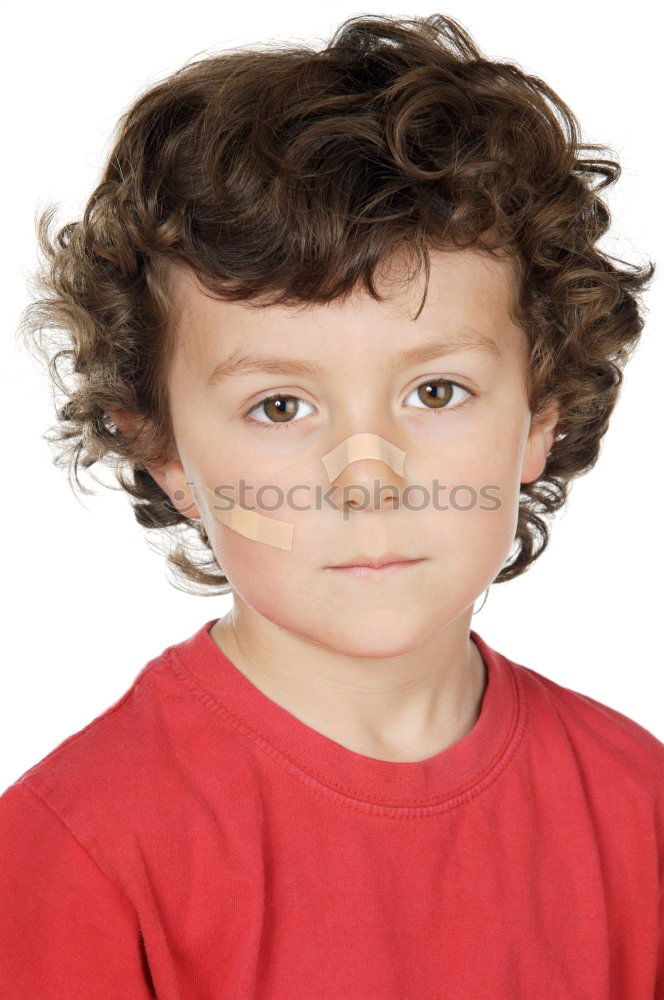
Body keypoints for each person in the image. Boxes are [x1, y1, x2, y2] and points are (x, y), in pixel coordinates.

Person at [1, 12, 661, 998]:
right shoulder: (79, 848)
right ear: (165, 451)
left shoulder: (638, 807)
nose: (368, 477)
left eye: (434, 392)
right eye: (280, 405)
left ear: (539, 417)